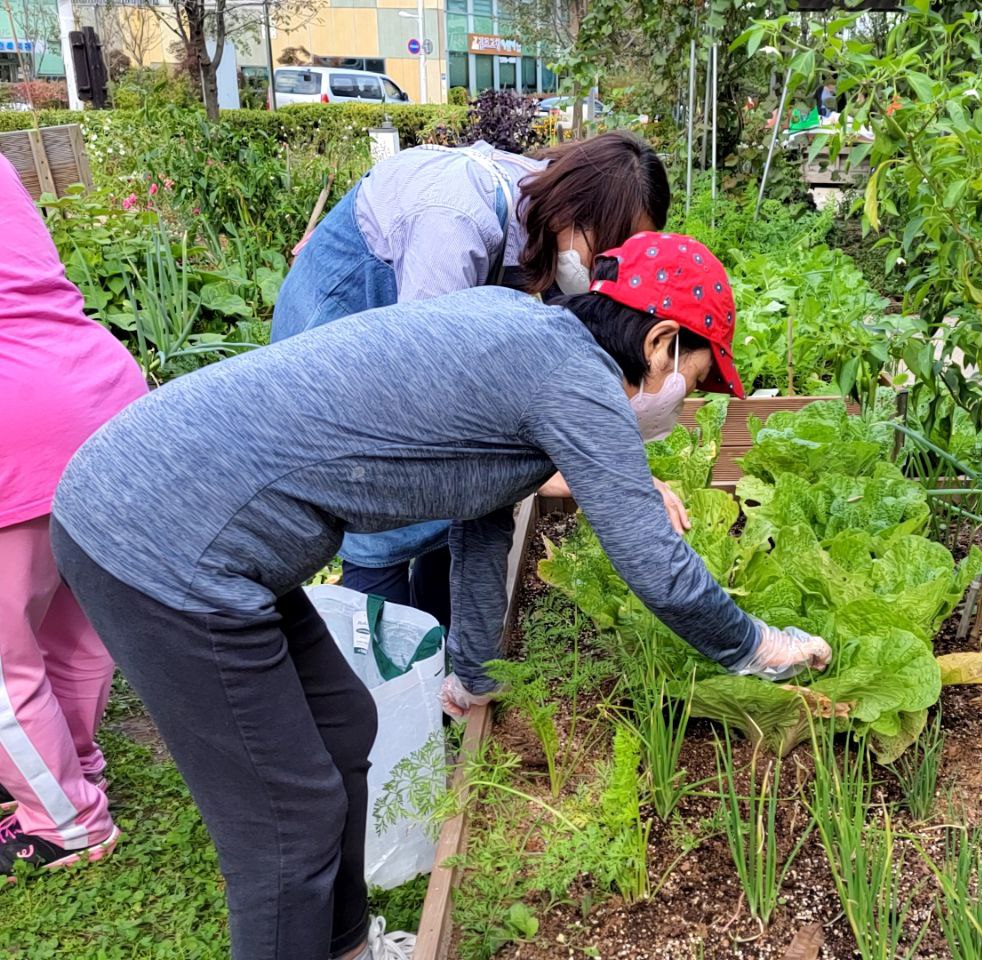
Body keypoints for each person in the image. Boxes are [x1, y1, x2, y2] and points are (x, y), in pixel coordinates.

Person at [51, 233, 830, 960]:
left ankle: (348, 948)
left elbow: (483, 519)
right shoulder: (575, 382)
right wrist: (757, 646)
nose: (684, 402)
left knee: (345, 724)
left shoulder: (527, 335)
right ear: (660, 341)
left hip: (196, 515)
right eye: (692, 380)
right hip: (159, 540)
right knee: (288, 827)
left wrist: (477, 669)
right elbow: (652, 560)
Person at [271, 130, 679, 625]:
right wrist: (563, 471)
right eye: (606, 251)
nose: (603, 271)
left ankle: (445, 660)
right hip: (345, 326)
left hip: (415, 344)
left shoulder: (541, 212)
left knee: (455, 501)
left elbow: (569, 356)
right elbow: (422, 386)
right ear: (574, 212)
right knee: (377, 493)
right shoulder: (455, 224)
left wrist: (616, 465)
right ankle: (388, 677)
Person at [0, 155, 148, 875]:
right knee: (74, 619)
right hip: (97, 389)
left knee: (2, 664)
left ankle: (64, 822)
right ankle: (74, 766)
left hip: (14, 417)